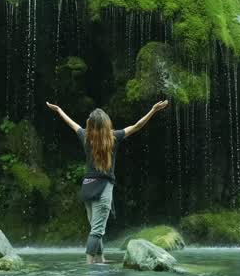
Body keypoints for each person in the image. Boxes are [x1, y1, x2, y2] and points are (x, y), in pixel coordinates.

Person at [46, 100, 170, 264]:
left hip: (88, 186)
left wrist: (59, 110)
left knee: (95, 229)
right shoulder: (113, 137)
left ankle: (100, 259)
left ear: (90, 125)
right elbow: (137, 125)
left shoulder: (85, 137)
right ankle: (90, 264)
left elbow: (71, 124)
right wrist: (153, 110)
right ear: (106, 124)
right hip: (103, 187)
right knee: (97, 230)